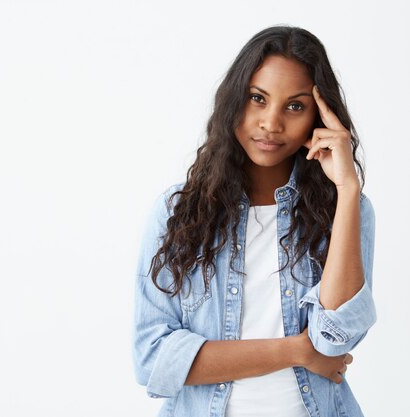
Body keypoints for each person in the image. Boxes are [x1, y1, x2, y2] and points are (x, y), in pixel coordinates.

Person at [132, 26, 376, 417]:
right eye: (257, 98)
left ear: (320, 117)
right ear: (233, 100)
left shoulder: (345, 210)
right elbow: (153, 359)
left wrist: (347, 189)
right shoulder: (176, 213)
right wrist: (295, 350)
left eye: (294, 106)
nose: (271, 123)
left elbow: (334, 340)